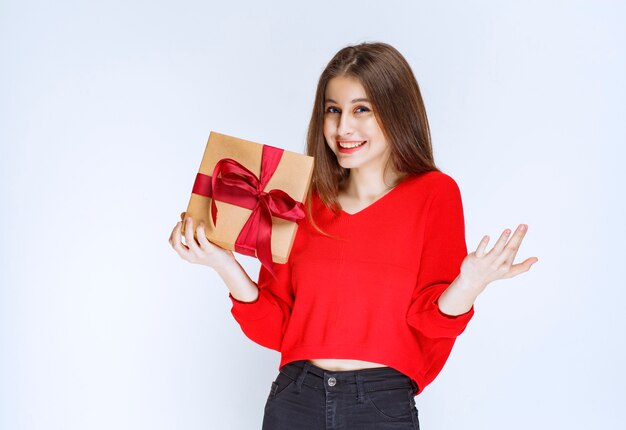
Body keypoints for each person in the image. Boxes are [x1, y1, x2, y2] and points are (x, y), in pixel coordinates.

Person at [168, 42, 538, 430]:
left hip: (381, 404)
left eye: (361, 109)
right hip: (294, 400)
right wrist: (223, 265)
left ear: (396, 112)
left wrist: (470, 284)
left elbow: (431, 322)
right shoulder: (298, 199)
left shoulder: (435, 193)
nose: (343, 127)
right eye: (333, 110)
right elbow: (276, 328)